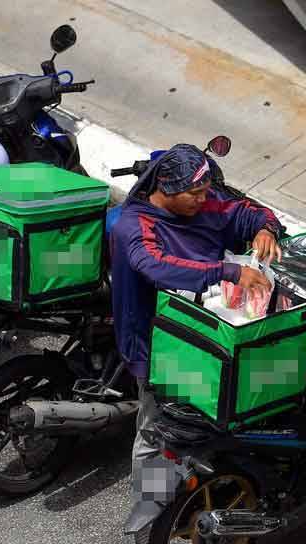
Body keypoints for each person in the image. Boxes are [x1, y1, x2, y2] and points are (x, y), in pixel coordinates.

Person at [109, 143, 282, 494]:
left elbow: (248, 211)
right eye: (195, 193)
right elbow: (157, 266)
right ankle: (153, 502)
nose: (204, 199)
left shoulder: (205, 203)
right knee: (158, 430)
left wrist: (266, 229)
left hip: (205, 337)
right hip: (156, 346)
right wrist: (229, 272)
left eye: (205, 190)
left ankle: (199, 486)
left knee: (206, 417)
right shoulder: (134, 226)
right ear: (167, 189)